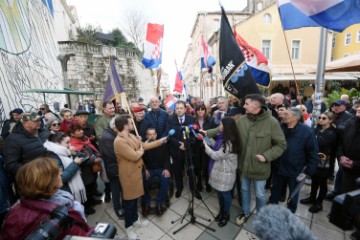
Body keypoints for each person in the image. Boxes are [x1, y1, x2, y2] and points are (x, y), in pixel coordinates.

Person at [206, 94, 286, 226]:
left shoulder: (272, 122)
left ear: (256, 105)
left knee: (260, 195)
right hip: (243, 166)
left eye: (246, 104)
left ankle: (262, 216)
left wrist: (266, 156)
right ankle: (245, 212)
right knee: (244, 191)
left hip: (260, 168)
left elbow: (281, 145)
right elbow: (224, 128)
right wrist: (206, 133)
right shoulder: (242, 120)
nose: (243, 106)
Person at [0, 157, 93, 239]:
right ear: (46, 181)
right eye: (56, 173)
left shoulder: (16, 209)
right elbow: (82, 236)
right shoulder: (58, 218)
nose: (61, 173)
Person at [113, 114, 167, 240]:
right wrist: (141, 149)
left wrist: (160, 141)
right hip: (128, 176)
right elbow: (135, 156)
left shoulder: (131, 135)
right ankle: (128, 227)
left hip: (137, 173)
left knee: (135, 199)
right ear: (125, 126)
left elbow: (144, 145)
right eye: (131, 123)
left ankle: (136, 219)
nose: (133, 124)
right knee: (129, 202)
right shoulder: (119, 141)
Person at [269, 107, 319, 213]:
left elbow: (313, 152)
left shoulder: (306, 131)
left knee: (293, 193)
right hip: (278, 167)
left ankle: (290, 212)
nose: (283, 116)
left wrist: (308, 171)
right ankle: (272, 210)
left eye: (286, 114)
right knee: (275, 191)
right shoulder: (280, 127)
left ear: (295, 118)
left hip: (295, 169)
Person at [203, 117, 240, 227]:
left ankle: (226, 214)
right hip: (220, 172)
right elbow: (217, 147)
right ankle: (221, 211)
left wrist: (205, 146)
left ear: (226, 127)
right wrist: (206, 139)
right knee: (220, 193)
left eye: (221, 125)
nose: (219, 126)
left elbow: (216, 155)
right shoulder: (223, 137)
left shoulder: (230, 142)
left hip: (226, 174)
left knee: (225, 194)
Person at [300, 112, 337, 213]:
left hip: (325, 161)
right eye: (320, 117)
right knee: (314, 179)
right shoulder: (318, 129)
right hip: (315, 158)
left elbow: (319, 142)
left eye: (324, 118)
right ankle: (312, 197)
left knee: (322, 182)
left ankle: (319, 203)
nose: (321, 119)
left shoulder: (332, 132)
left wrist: (313, 138)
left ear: (330, 120)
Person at [68, 122, 102, 215]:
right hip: (85, 171)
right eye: (78, 130)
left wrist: (97, 155)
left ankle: (92, 201)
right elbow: (81, 159)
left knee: (93, 184)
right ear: (72, 134)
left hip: (92, 168)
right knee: (87, 188)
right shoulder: (73, 145)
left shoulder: (85, 139)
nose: (82, 131)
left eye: (81, 129)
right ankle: (87, 207)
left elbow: (92, 149)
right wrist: (94, 160)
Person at [166, 100, 198, 198]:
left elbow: (195, 134)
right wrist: (178, 144)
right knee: (177, 171)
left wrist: (186, 144)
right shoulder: (170, 119)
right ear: (174, 110)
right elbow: (168, 135)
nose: (179, 110)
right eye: (177, 108)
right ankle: (179, 188)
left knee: (191, 171)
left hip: (188, 151)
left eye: (181, 108)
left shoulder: (191, 119)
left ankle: (193, 189)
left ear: (185, 109)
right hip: (176, 150)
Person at [44, 133, 87, 204]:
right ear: (57, 143)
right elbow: (61, 178)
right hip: (65, 191)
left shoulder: (65, 152)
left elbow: (84, 157)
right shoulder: (53, 157)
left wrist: (74, 153)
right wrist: (75, 164)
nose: (70, 145)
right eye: (67, 143)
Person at [3, 111, 50, 177]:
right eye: (36, 121)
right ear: (25, 123)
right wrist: (35, 172)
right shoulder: (12, 140)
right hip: (31, 180)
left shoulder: (41, 133)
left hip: (46, 175)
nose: (39, 122)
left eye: (39, 120)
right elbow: (11, 166)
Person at [326, 99, 355, 200]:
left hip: (343, 148)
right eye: (334, 105)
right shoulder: (332, 115)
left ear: (344, 106)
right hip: (333, 146)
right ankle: (335, 190)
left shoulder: (349, 117)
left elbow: (343, 131)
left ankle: (338, 192)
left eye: (338, 105)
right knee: (332, 167)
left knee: (341, 171)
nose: (335, 107)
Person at [141, 128, 171, 216]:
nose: (152, 136)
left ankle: (159, 202)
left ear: (156, 135)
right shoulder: (143, 146)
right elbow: (140, 159)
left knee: (166, 179)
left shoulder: (161, 144)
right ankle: (146, 203)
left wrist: (166, 168)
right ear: (146, 136)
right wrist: (144, 169)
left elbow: (167, 157)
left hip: (161, 168)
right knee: (142, 181)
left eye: (153, 134)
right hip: (148, 169)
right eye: (149, 134)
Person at [100, 117, 124, 219]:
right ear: (115, 127)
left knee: (120, 188)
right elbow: (113, 155)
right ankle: (117, 208)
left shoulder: (112, 133)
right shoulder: (107, 137)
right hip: (113, 168)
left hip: (118, 166)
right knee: (115, 189)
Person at [193, 103, 217, 192]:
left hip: (208, 145)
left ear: (205, 110)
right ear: (195, 111)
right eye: (198, 110)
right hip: (197, 146)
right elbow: (191, 133)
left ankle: (207, 182)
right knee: (198, 164)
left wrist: (206, 133)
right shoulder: (193, 120)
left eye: (202, 109)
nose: (200, 111)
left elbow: (215, 132)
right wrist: (196, 134)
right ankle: (199, 181)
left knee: (206, 164)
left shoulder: (211, 119)